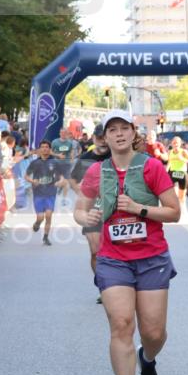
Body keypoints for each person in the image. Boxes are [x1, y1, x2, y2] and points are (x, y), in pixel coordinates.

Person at [73, 110, 181, 375]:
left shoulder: (152, 167)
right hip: (113, 260)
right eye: (112, 130)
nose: (119, 134)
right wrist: (87, 217)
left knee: (154, 332)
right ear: (104, 138)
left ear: (133, 133)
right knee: (121, 324)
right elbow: (79, 210)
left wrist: (139, 209)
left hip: (151, 258)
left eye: (124, 128)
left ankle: (147, 357)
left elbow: (174, 212)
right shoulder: (97, 172)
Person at [71, 124, 111, 303]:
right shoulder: (85, 158)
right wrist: (82, 194)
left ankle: (116, 285)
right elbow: (73, 180)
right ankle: (103, 287)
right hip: (92, 210)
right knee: (96, 251)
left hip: (116, 209)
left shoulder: (117, 155)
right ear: (94, 138)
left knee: (112, 250)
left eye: (105, 136)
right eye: (99, 137)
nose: (102, 140)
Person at [25, 140, 66, 246]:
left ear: (50, 149)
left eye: (47, 147)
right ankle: (37, 223)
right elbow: (26, 176)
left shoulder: (55, 162)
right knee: (40, 217)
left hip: (50, 192)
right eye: (42, 147)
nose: (44, 149)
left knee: (48, 215)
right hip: (38, 193)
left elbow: (62, 177)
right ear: (39, 149)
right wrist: (32, 181)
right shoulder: (35, 163)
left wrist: (60, 182)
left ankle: (45, 237)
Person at [51, 127, 80, 200]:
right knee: (59, 180)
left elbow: (71, 151)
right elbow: (50, 151)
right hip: (57, 164)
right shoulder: (55, 142)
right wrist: (58, 155)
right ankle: (54, 187)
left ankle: (64, 199)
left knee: (66, 181)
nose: (63, 134)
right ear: (60, 133)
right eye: (62, 133)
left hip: (67, 164)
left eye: (65, 133)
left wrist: (72, 159)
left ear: (66, 133)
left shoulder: (69, 142)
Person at [165, 136, 188, 206]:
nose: (175, 144)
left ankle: (182, 208)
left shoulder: (183, 151)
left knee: (181, 196)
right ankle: (176, 208)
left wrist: (182, 158)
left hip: (182, 174)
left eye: (177, 143)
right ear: (171, 143)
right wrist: (165, 171)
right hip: (172, 173)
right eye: (174, 143)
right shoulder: (170, 152)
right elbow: (169, 162)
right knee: (172, 193)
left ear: (180, 144)